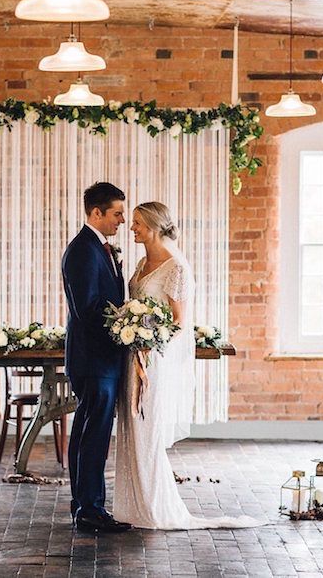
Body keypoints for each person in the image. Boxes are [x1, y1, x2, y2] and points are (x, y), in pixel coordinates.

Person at [114, 201, 262, 529]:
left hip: (154, 360)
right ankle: (132, 506)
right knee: (132, 427)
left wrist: (148, 340)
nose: (132, 227)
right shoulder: (141, 262)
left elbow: (178, 322)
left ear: (153, 226)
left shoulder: (176, 267)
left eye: (137, 222)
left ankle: (154, 507)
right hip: (132, 356)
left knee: (147, 427)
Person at [62, 182, 132, 533]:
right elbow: (87, 308)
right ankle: (90, 509)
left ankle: (85, 504)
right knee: (93, 435)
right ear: (97, 213)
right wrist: (125, 324)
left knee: (90, 433)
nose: (122, 220)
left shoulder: (100, 248)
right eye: (117, 213)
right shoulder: (82, 251)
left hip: (102, 360)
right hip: (93, 359)